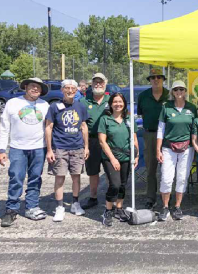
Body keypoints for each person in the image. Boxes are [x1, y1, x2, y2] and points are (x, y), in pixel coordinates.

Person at [0, 78, 50, 227]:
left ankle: (31, 207)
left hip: (39, 147)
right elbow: (4, 127)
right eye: (33, 86)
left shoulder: (44, 105)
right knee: (16, 178)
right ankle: (11, 209)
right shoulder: (13, 103)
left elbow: (49, 128)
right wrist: (2, 150)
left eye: (38, 88)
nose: (35, 89)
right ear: (25, 87)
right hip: (17, 148)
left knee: (35, 178)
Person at [45, 80, 89, 222]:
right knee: (60, 177)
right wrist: (49, 150)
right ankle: (59, 207)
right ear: (62, 90)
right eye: (67, 88)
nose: (70, 90)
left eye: (73, 88)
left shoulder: (80, 106)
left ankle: (75, 203)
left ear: (77, 90)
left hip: (77, 147)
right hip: (60, 148)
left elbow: (84, 127)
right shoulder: (54, 107)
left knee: (76, 176)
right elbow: (48, 128)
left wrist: (86, 147)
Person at [156, 80, 197, 221]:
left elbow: (195, 131)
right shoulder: (166, 107)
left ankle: (178, 206)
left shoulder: (192, 108)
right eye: (176, 90)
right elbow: (161, 129)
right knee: (167, 179)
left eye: (181, 89)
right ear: (172, 92)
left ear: (185, 91)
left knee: (182, 178)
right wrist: (158, 149)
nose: (179, 92)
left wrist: (196, 148)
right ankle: (165, 207)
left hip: (187, 148)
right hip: (168, 147)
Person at [98, 93, 139, 226]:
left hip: (126, 156)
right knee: (114, 184)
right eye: (115, 102)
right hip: (110, 157)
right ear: (110, 104)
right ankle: (108, 210)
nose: (118, 104)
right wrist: (113, 159)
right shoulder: (105, 119)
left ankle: (119, 208)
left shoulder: (129, 120)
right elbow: (102, 142)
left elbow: (134, 138)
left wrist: (136, 155)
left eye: (120, 102)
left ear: (124, 104)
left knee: (122, 184)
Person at [137, 68, 169, 209]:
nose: (156, 79)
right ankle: (151, 197)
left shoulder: (170, 95)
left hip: (168, 135)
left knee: (167, 168)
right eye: (153, 77)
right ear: (149, 80)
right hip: (150, 134)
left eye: (159, 77)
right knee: (151, 168)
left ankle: (167, 197)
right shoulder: (143, 96)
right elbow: (142, 115)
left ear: (163, 79)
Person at [79, 73, 110, 210]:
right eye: (95, 82)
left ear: (105, 83)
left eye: (101, 82)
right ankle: (93, 197)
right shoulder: (84, 101)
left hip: (110, 141)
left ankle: (112, 199)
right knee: (93, 171)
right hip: (91, 141)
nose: (98, 84)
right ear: (91, 84)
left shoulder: (112, 99)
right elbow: (81, 123)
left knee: (111, 171)